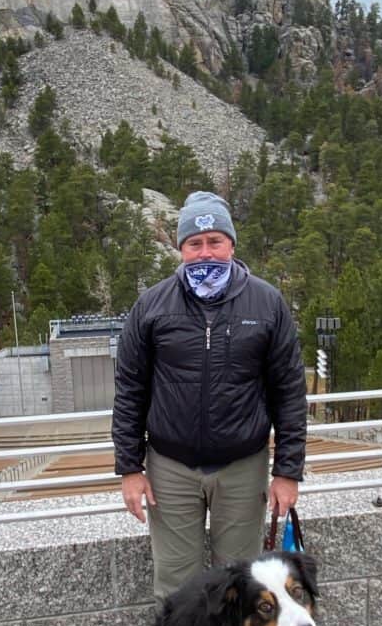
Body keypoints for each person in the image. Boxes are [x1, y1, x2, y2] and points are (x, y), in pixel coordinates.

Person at [112, 190, 308, 598]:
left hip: (243, 465)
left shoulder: (268, 302)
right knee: (176, 584)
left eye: (215, 241)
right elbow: (130, 390)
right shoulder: (151, 306)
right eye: (194, 244)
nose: (205, 253)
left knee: (240, 582)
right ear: (181, 248)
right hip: (170, 468)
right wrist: (130, 468)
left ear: (232, 244)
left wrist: (287, 472)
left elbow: (289, 391)